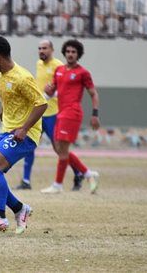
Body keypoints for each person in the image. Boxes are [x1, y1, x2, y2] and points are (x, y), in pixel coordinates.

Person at [0, 35, 47, 234]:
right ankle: (19, 208)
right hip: (7, 131)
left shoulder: (22, 77)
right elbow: (12, 97)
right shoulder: (1, 76)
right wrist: (3, 110)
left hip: (24, 135)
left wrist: (24, 128)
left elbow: (41, 104)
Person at [15, 39, 84, 191]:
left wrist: (49, 95)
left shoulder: (59, 66)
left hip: (53, 113)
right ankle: (26, 181)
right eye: (39, 48)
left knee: (59, 149)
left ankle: (79, 172)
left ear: (52, 50)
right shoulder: (39, 64)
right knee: (29, 145)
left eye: (45, 48)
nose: (41, 51)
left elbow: (62, 90)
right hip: (38, 113)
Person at [41, 39, 100, 194]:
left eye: (74, 52)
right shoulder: (59, 70)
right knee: (59, 149)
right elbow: (53, 92)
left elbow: (93, 94)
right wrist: (48, 91)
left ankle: (58, 185)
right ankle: (88, 174)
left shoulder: (83, 73)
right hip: (60, 113)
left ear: (78, 54)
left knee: (62, 149)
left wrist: (95, 114)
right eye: (68, 51)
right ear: (64, 53)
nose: (70, 54)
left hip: (72, 113)